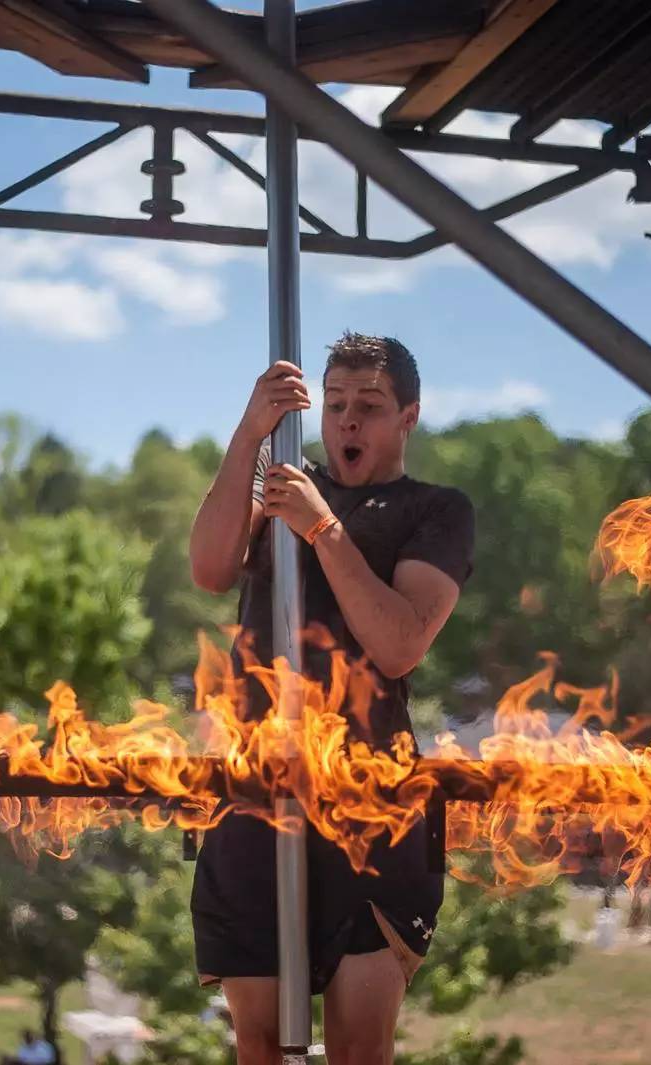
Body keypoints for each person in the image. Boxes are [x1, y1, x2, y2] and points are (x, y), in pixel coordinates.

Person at [187, 333, 475, 1065]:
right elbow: (210, 568)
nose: (348, 422)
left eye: (370, 407)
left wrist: (321, 526)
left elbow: (400, 642)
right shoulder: (282, 481)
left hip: (371, 801)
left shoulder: (434, 510)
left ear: (408, 416)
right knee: (257, 1041)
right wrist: (251, 433)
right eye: (336, 404)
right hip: (256, 790)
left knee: (358, 1044)